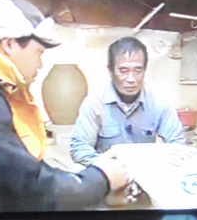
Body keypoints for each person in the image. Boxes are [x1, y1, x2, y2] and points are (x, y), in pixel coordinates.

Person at [0, 0, 129, 213]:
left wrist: (87, 181)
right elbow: (23, 190)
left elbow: (25, 168)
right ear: (9, 44)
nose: (40, 63)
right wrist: (101, 179)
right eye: (38, 53)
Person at [70, 36, 185, 166]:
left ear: (144, 70)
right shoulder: (94, 104)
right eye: (123, 71)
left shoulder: (159, 104)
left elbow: (179, 147)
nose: (131, 79)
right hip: (107, 172)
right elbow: (80, 148)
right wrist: (108, 167)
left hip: (146, 171)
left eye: (138, 70)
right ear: (110, 71)